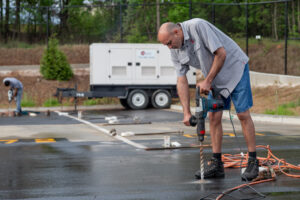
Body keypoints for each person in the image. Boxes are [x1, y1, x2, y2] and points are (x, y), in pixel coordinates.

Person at [158, 18, 258, 181]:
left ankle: (253, 161)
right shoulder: (174, 49)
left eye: (169, 43)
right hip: (215, 75)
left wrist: (207, 81)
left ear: (176, 32)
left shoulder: (198, 26)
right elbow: (181, 79)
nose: (169, 47)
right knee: (213, 116)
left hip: (235, 68)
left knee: (242, 114)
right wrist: (186, 112)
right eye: (166, 45)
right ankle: (217, 164)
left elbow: (221, 54)